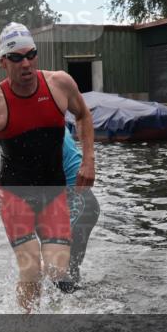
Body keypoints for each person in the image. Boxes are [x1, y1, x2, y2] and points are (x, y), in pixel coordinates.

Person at [0, 22, 94, 311]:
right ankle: (25, 329)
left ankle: (50, 325)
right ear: (4, 62)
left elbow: (83, 116)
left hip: (53, 193)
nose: (26, 63)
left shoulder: (60, 83)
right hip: (14, 194)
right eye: (17, 58)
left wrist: (88, 159)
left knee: (57, 271)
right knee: (31, 270)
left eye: (31, 55)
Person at [60, 125, 100, 291]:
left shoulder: (47, 132)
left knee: (60, 267)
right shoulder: (51, 123)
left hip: (80, 205)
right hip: (76, 205)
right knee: (67, 271)